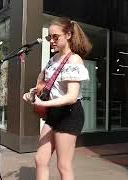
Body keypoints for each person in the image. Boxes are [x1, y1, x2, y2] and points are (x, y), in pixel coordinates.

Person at [23, 17, 92, 180]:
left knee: (63, 165)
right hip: (54, 113)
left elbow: (71, 97)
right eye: (49, 37)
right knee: (40, 159)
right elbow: (45, 85)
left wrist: (44, 103)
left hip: (69, 114)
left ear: (68, 35)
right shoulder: (52, 60)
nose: (51, 41)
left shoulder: (74, 60)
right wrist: (31, 93)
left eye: (55, 37)